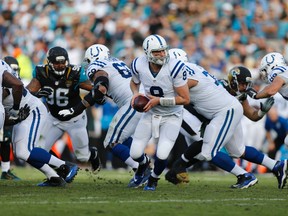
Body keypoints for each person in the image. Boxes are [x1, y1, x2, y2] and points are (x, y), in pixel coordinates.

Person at [165, 48, 288, 189]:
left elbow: (252, 115)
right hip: (222, 115)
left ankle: (244, 175)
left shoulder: (187, 76)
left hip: (225, 114)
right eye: (241, 83)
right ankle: (276, 165)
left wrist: (261, 111)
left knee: (208, 151)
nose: (244, 87)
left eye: (246, 84)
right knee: (237, 150)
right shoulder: (219, 85)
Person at [58, 44, 150, 186]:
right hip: (143, 99)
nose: (87, 64)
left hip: (133, 102)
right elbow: (104, 92)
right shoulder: (116, 62)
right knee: (123, 138)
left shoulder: (96, 65)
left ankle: (142, 168)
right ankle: (143, 166)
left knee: (111, 142)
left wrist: (75, 110)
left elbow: (101, 86)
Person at [2, 56, 79, 186]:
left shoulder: (6, 82)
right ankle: (54, 177)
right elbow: (4, 119)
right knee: (20, 152)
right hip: (23, 113)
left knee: (27, 150)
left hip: (33, 110)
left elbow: (17, 86)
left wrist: (15, 111)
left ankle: (66, 166)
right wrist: (16, 116)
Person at [128, 35, 190, 191]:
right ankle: (144, 165)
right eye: (157, 52)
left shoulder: (175, 66)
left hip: (172, 115)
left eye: (164, 51)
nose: (162, 54)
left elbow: (185, 99)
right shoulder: (138, 64)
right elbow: (134, 82)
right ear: (147, 52)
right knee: (135, 153)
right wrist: (135, 93)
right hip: (150, 113)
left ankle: (153, 179)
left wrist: (159, 101)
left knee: (162, 155)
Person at [26, 46, 100, 172]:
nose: (60, 65)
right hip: (53, 119)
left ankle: (92, 154)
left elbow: (94, 90)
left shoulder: (75, 73)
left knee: (82, 157)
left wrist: (100, 94)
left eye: (62, 62)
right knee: (39, 151)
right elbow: (27, 93)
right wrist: (37, 94)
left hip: (75, 120)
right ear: (49, 62)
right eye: (56, 63)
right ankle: (62, 170)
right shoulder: (41, 73)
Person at [0, 56, 22, 180]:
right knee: (4, 140)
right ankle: (5, 170)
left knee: (5, 140)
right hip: (4, 113)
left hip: (6, 114)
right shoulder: (6, 78)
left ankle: (5, 170)